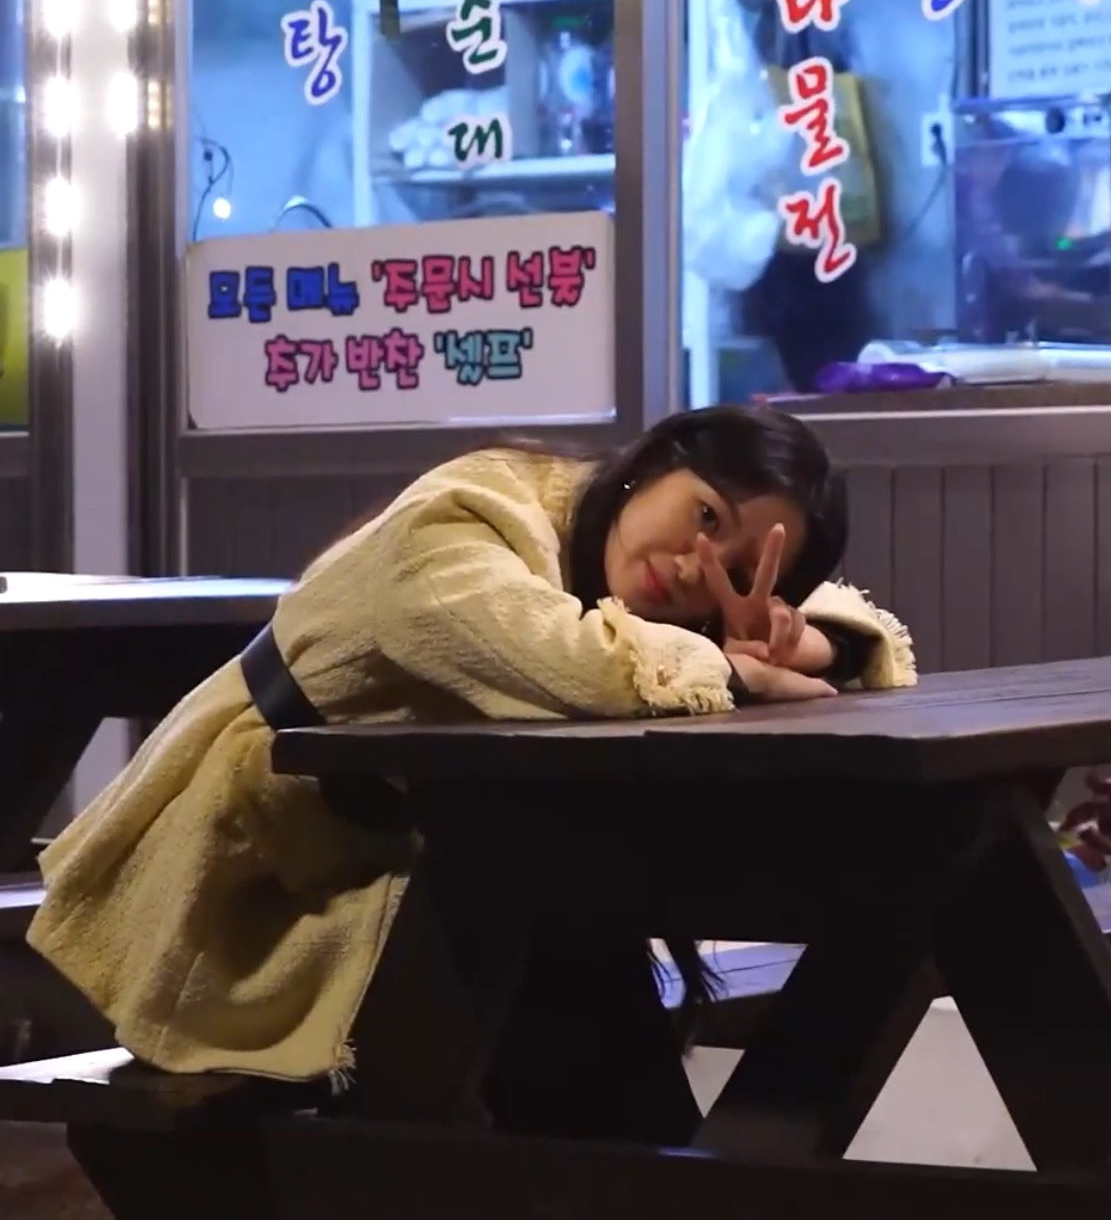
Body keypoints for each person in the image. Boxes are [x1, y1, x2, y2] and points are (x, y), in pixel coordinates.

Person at [27, 406, 915, 1085]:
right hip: (243, 884)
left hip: (409, 867)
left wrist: (807, 644)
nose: (695, 564)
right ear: (656, 464)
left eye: (738, 570)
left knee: (560, 937)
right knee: (551, 952)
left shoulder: (629, 584)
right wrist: (734, 668)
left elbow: (860, 634)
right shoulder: (471, 513)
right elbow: (570, 662)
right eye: (705, 515)